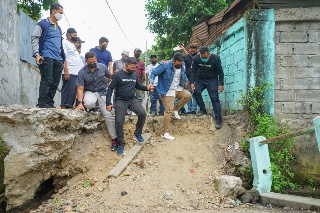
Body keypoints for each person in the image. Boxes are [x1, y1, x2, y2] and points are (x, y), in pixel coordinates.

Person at [106, 57, 154, 155]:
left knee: (142, 114)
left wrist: (147, 88)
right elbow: (110, 89)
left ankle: (138, 133)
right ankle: (121, 143)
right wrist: (108, 103)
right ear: (126, 65)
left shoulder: (134, 74)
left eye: (134, 67)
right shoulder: (118, 75)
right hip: (121, 101)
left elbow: (138, 86)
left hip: (132, 99)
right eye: (131, 67)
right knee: (119, 122)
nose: (133, 69)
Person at [75, 51, 118, 150]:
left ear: (96, 59)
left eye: (94, 61)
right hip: (90, 92)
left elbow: (109, 76)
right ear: (86, 61)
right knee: (88, 103)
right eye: (90, 62)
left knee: (107, 114)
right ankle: (92, 108)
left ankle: (114, 139)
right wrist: (79, 103)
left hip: (103, 92)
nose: (93, 63)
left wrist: (113, 74)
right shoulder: (82, 72)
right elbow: (80, 89)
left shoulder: (102, 67)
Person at [149, 52, 191, 140]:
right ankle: (164, 133)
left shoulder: (182, 64)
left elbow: (183, 74)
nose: (179, 65)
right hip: (166, 90)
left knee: (188, 95)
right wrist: (151, 83)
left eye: (181, 63)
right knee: (168, 111)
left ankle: (176, 110)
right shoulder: (165, 65)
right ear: (173, 61)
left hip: (177, 88)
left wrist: (186, 81)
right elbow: (153, 73)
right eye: (177, 64)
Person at [31, 2, 65, 108]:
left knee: (55, 82)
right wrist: (37, 54)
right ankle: (42, 102)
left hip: (58, 58)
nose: (61, 15)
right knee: (47, 79)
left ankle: (50, 102)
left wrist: (63, 59)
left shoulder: (58, 28)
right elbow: (34, 38)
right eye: (60, 12)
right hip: (47, 55)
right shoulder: (42, 24)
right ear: (53, 11)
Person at [190, 46, 224, 129]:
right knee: (196, 92)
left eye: (205, 57)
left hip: (212, 80)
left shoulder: (215, 58)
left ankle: (218, 119)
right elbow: (193, 71)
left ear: (208, 53)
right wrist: (192, 83)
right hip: (200, 79)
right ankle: (203, 110)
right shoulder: (196, 58)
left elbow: (220, 71)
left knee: (214, 98)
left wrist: (221, 84)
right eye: (202, 57)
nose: (203, 59)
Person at [60, 28, 85, 109]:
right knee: (68, 91)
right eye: (74, 35)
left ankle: (69, 107)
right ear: (68, 35)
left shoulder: (72, 45)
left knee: (73, 92)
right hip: (70, 71)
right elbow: (63, 56)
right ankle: (64, 108)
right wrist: (66, 70)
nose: (75, 37)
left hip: (76, 72)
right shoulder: (65, 43)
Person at [180, 44, 198, 114]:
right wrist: (185, 80)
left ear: (196, 50)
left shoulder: (198, 57)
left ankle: (194, 110)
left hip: (196, 79)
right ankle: (189, 110)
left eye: (194, 51)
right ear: (189, 50)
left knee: (195, 94)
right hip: (188, 79)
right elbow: (183, 68)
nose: (192, 52)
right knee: (188, 94)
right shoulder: (186, 57)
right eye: (191, 51)